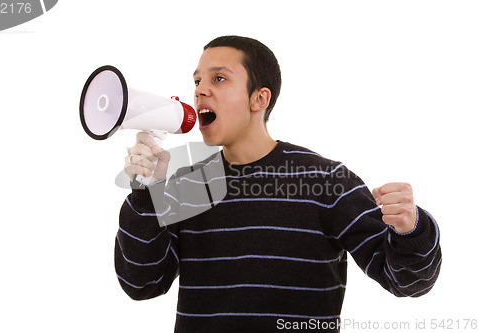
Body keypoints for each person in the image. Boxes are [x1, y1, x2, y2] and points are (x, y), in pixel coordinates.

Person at [115, 35, 442, 332]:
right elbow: (143, 284)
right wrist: (145, 194)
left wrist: (410, 228)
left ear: (259, 99)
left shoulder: (326, 181)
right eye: (197, 80)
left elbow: (407, 282)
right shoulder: (188, 186)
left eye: (218, 78)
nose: (200, 89)